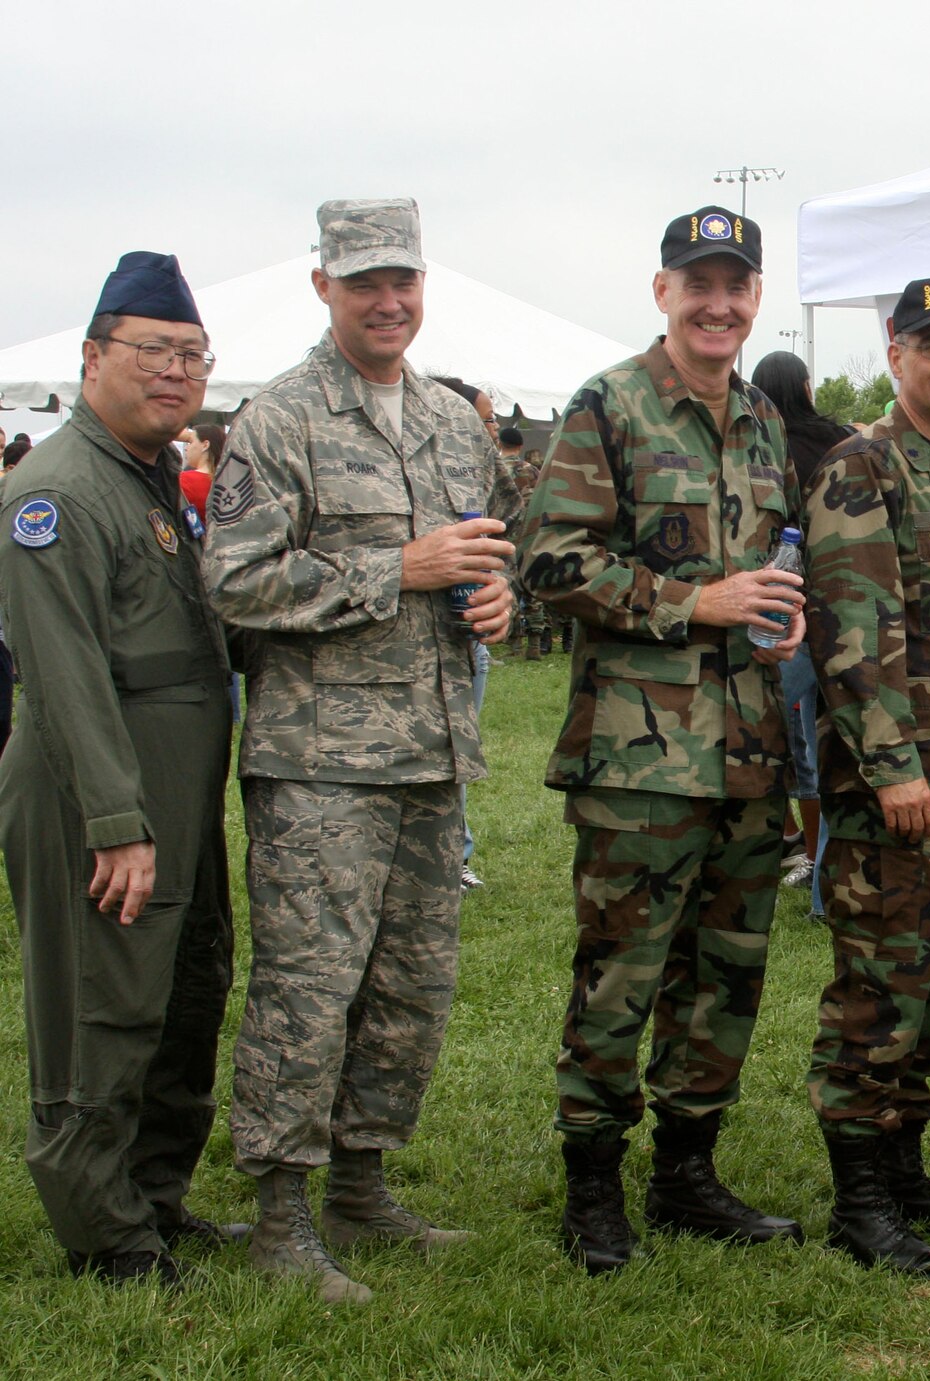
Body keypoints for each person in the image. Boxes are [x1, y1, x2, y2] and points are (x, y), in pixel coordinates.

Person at [204, 199, 518, 1305]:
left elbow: (490, 546)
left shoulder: (450, 418)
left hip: (432, 754)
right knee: (308, 985)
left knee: (408, 988)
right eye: (364, 283)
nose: (389, 302)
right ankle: (279, 1215)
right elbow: (234, 581)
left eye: (404, 281)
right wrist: (400, 568)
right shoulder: (279, 419)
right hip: (319, 763)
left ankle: (362, 1184)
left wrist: (495, 598)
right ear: (323, 287)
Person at [518, 206, 806, 1276]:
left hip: (747, 751)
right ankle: (592, 1186)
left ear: (755, 299)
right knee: (621, 970)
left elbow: (766, 567)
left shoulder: (764, 419)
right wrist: (697, 601)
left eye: (736, 284)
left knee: (724, 972)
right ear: (663, 293)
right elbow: (548, 564)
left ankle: (687, 1174)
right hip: (640, 760)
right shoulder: (610, 405)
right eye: (699, 283)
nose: (717, 302)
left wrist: (782, 609)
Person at [0, 252, 234, 1286]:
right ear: (93, 356)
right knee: (102, 1003)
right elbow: (63, 679)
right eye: (154, 350)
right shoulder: (53, 491)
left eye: (191, 353)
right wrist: (116, 822)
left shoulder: (144, 477)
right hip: (96, 797)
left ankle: (152, 1197)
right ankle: (105, 1233)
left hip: (171, 797)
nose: (176, 371)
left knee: (183, 991)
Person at [799, 275, 930, 1276]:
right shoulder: (864, 467)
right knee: (876, 997)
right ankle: (861, 1205)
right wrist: (890, 767)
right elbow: (851, 631)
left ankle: (903, 1166)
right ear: (895, 355)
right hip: (905, 788)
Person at [750, 348, 858, 899]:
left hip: (777, 609)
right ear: (806, 385)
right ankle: (824, 868)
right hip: (841, 608)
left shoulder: (758, 443)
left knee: (790, 740)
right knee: (837, 738)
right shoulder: (840, 440)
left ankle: (802, 851)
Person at [431, 374, 500, 889]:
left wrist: (506, 593)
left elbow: (517, 538)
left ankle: (458, 854)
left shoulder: (473, 474)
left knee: (458, 756)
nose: (491, 431)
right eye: (485, 420)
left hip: (466, 645)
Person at [496, 426, 552, 660]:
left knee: (510, 586)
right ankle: (535, 644)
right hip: (531, 535)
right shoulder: (531, 470)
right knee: (533, 586)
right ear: (520, 446)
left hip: (505, 536)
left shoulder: (495, 469)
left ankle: (515, 644)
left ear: (500, 444)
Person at [180, 422, 226, 523]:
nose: (186, 448)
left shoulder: (184, 480)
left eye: (190, 442)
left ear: (205, 445)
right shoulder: (227, 481)